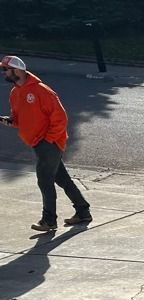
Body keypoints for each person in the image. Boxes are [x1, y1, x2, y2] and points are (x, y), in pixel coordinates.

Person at [1, 55, 92, 232]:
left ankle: (49, 220)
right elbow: (20, 120)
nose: (4, 72)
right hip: (37, 142)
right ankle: (83, 211)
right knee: (63, 180)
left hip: (48, 143)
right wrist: (10, 121)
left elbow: (60, 118)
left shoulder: (42, 90)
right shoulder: (15, 93)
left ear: (18, 70)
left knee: (44, 180)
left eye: (6, 69)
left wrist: (49, 140)